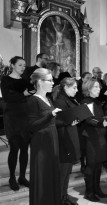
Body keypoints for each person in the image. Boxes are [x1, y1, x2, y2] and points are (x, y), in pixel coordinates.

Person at [27, 68, 62, 205]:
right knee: (43, 176)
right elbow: (32, 126)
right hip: (41, 144)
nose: (53, 83)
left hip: (52, 139)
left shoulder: (47, 98)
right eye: (50, 80)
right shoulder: (33, 100)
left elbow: (52, 122)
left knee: (51, 175)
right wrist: (50, 115)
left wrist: (69, 121)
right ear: (40, 82)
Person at [0, 56, 31, 191]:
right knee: (14, 148)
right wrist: (24, 94)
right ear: (12, 65)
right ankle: (12, 177)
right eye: (20, 65)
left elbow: (31, 93)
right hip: (12, 118)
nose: (23, 67)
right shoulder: (5, 79)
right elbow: (7, 97)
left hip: (25, 117)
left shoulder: (25, 81)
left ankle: (22, 177)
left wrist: (27, 92)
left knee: (24, 149)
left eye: (24, 65)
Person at [81, 78, 107, 202]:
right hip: (91, 137)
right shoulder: (85, 102)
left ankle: (97, 189)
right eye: (95, 87)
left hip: (99, 136)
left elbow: (99, 117)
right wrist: (102, 123)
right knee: (91, 166)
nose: (99, 89)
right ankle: (89, 192)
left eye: (99, 87)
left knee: (98, 165)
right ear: (89, 89)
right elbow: (89, 119)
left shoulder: (97, 102)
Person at [53, 78, 80, 205]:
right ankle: (59, 199)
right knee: (62, 172)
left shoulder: (69, 99)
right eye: (74, 87)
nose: (77, 90)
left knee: (67, 171)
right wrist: (69, 121)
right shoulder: (60, 101)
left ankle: (64, 196)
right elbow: (56, 122)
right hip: (64, 139)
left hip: (70, 136)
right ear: (65, 87)